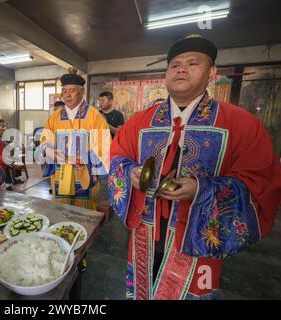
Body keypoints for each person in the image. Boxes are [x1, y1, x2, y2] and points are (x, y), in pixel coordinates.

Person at [108, 35, 281, 300]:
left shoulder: (241, 124)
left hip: (197, 238)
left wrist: (202, 189)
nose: (181, 68)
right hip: (146, 230)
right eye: (174, 64)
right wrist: (128, 170)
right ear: (166, 74)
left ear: (211, 72)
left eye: (192, 63)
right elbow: (118, 155)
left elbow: (261, 181)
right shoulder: (140, 121)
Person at [39, 67, 110, 210]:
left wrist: (93, 169)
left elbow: (104, 144)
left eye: (71, 91)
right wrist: (47, 149)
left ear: (82, 91)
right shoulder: (55, 116)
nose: (67, 95)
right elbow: (45, 138)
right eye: (64, 91)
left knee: (85, 214)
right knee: (60, 211)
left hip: (84, 173)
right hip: (61, 173)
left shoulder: (94, 115)